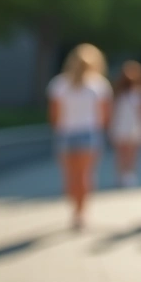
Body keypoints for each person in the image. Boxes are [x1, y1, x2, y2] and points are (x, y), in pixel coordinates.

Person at [47, 43, 112, 231]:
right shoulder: (99, 85)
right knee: (85, 175)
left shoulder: (59, 84)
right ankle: (82, 212)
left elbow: (54, 116)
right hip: (89, 133)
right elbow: (104, 115)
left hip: (66, 133)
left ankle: (75, 210)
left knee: (70, 176)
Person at [109, 60, 141, 188]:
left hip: (134, 125)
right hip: (120, 124)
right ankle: (121, 174)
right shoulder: (117, 93)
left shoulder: (140, 92)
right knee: (121, 152)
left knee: (132, 152)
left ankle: (130, 174)